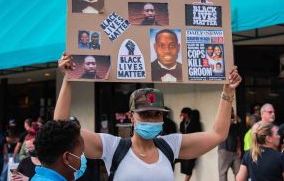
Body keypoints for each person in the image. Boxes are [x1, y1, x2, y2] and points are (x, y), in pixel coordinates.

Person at [55, 52, 241, 181]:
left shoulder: (171, 146)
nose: (152, 120)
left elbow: (218, 134)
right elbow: (61, 128)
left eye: (157, 114)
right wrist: (68, 79)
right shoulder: (113, 147)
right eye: (145, 114)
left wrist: (228, 91)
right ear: (131, 117)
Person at [218, 108, 242, 181]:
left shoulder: (235, 122)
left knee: (239, 173)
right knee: (223, 173)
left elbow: (238, 136)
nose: (231, 113)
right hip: (224, 150)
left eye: (232, 111)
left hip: (235, 152)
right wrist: (234, 119)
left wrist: (239, 148)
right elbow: (225, 126)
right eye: (230, 112)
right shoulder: (222, 120)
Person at [179, 108, 202, 181]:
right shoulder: (182, 123)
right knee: (184, 162)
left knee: (190, 164)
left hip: (192, 147)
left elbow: (198, 134)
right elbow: (181, 132)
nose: (181, 115)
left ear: (186, 114)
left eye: (182, 114)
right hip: (185, 146)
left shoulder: (195, 123)